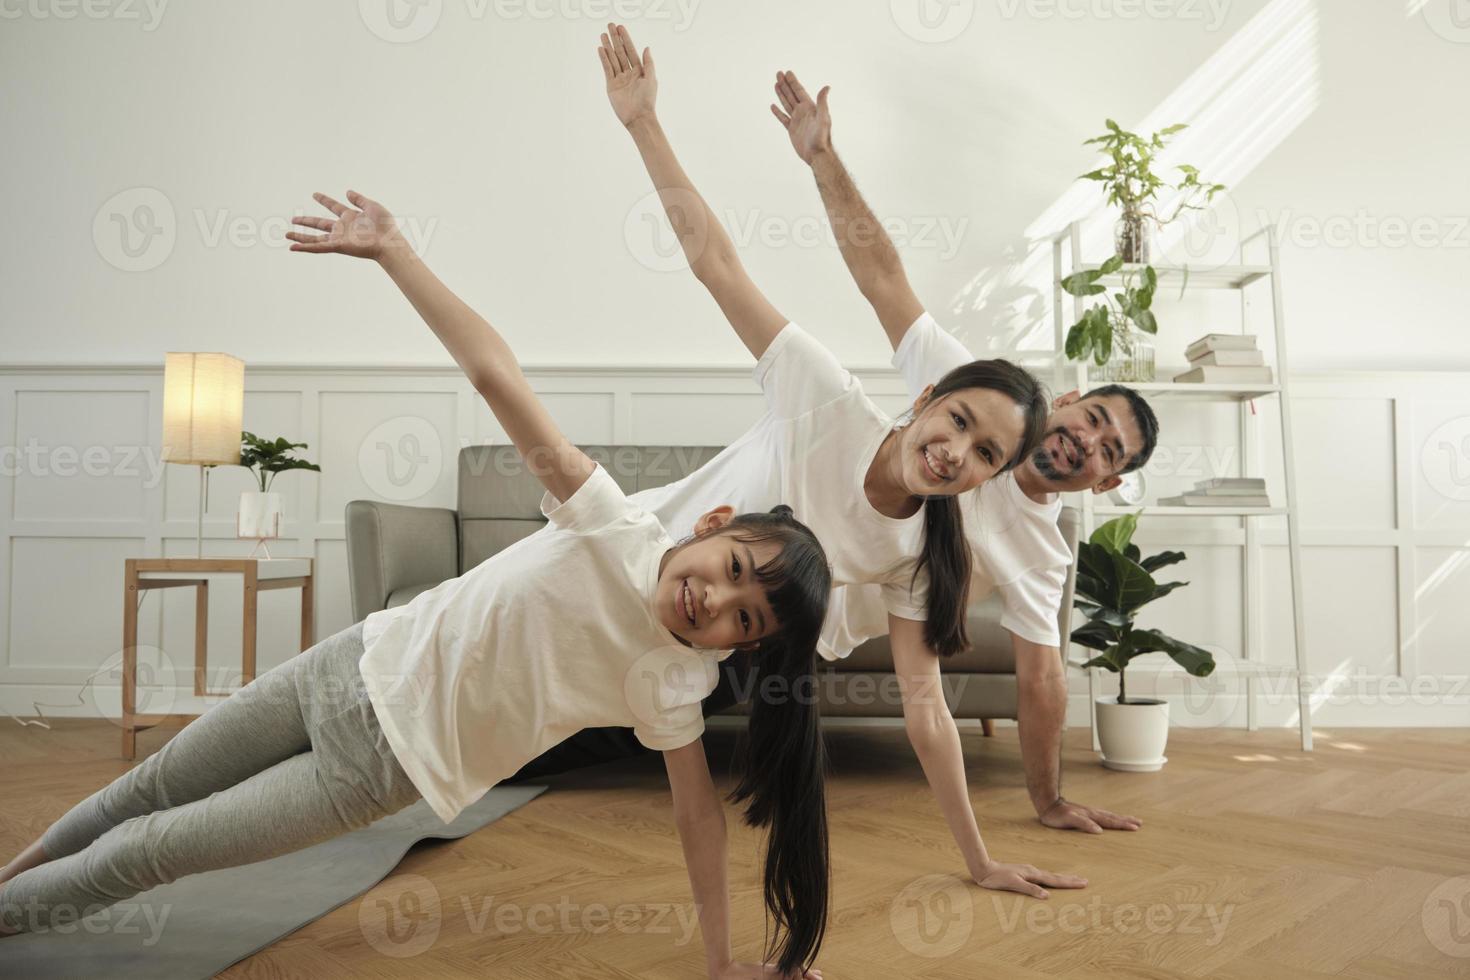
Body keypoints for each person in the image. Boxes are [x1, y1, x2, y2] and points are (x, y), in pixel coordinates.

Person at [0, 191, 833, 980]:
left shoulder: (674, 686)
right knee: (149, 786)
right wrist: (396, 252)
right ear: (711, 521)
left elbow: (698, 819)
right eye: (730, 571)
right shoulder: (610, 521)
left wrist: (722, 963)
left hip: (375, 772)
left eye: (744, 619)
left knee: (154, 850)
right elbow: (495, 376)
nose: (715, 603)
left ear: (745, 646)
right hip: (344, 664)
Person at [527, 24, 1082, 902]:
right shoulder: (824, 398)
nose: (957, 453)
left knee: (521, 738)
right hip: (625, 561)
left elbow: (928, 710)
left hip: (711, 650)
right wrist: (645, 124)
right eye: (962, 422)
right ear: (928, 392)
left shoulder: (920, 555)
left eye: (985, 456)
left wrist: (979, 860)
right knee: (465, 708)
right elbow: (718, 264)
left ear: (986, 479)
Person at [768, 68, 1161, 835]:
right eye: (1095, 418)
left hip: (800, 629)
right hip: (755, 541)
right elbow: (883, 276)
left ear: (1105, 483)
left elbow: (1042, 676)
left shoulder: (1040, 553)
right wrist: (823, 161)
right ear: (1073, 401)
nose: (1086, 441)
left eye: (1107, 452)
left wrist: (1046, 799)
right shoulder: (972, 397)